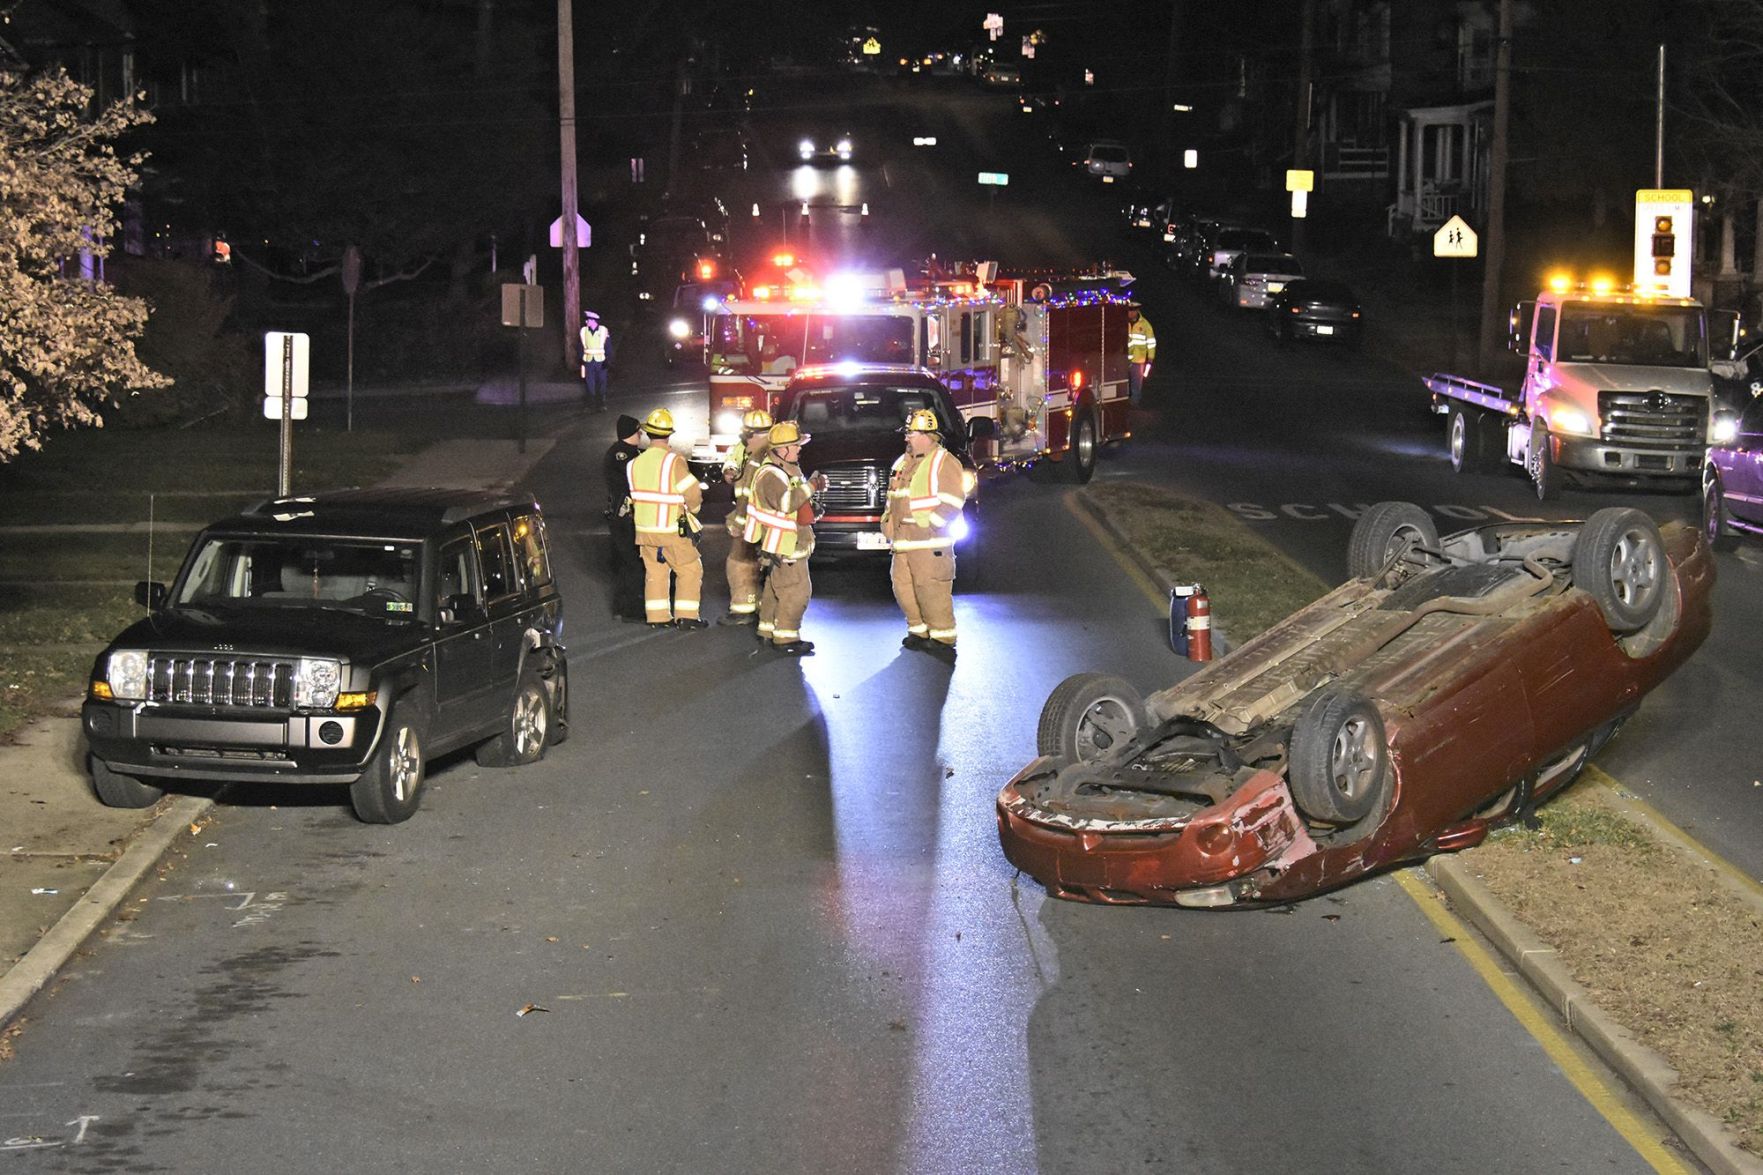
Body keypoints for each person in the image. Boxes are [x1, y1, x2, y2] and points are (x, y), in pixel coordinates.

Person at [882, 409, 965, 660]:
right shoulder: (902, 463)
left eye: (912, 433)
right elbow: (893, 499)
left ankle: (942, 637)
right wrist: (887, 523)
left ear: (928, 435)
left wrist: (931, 524)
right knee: (903, 588)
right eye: (907, 433)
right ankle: (918, 630)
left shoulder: (944, 461)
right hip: (904, 543)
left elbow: (952, 500)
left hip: (930, 543)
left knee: (931, 589)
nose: (907, 438)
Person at [625, 407, 706, 629]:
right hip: (671, 530)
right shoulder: (674, 461)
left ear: (648, 433)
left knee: (656, 573)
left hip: (644, 531)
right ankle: (686, 617)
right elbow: (692, 493)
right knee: (690, 569)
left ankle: (658, 618)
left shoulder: (633, 464)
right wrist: (694, 509)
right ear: (669, 434)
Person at [745, 420, 819, 655]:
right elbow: (786, 504)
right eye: (796, 445)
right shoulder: (771, 475)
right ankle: (786, 638)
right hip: (786, 544)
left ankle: (768, 631)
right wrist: (812, 486)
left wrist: (811, 509)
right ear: (783, 449)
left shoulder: (781, 471)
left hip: (780, 543)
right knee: (796, 591)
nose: (799, 449)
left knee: (775, 589)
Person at [719, 409, 773, 625]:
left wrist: (738, 523)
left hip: (752, 517)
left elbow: (746, 495)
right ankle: (763, 610)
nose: (757, 439)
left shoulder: (758, 458)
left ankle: (746, 610)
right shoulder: (775, 451)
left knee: (740, 561)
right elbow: (731, 463)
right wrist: (729, 471)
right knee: (767, 563)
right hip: (770, 521)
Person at [602, 414, 646, 621]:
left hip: (626, 517)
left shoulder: (630, 452)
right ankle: (630, 609)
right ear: (632, 432)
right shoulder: (621, 455)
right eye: (639, 431)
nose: (641, 434)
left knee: (628, 563)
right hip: (624, 518)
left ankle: (623, 607)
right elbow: (635, 478)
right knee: (632, 564)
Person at [1125, 305, 1156, 405]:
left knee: (1136, 385)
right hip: (1123, 359)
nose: (1130, 313)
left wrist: (1150, 359)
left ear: (1137, 311)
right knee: (1124, 384)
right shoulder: (1123, 322)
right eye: (1129, 310)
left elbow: (1151, 343)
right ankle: (1125, 403)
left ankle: (1134, 404)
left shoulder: (1145, 325)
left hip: (1138, 360)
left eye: (1133, 311)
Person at [581, 310, 611, 412]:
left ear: (593, 321)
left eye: (588, 320)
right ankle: (590, 405)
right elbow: (580, 346)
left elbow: (608, 346)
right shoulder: (583, 331)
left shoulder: (603, 331)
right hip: (588, 361)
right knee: (590, 384)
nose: (586, 322)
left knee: (602, 382)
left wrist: (608, 359)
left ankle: (601, 404)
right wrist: (582, 359)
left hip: (601, 361)